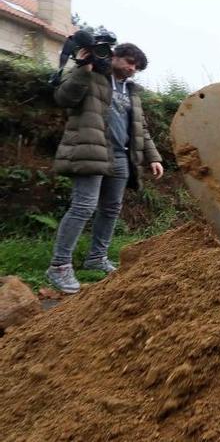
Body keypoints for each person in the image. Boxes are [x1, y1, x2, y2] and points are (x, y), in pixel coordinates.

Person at [45, 42, 164, 294]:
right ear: (114, 57)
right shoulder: (92, 76)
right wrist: (83, 69)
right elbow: (64, 98)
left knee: (111, 209)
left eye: (137, 67)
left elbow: (140, 128)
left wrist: (153, 157)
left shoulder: (131, 91)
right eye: (130, 62)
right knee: (83, 207)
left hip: (121, 156)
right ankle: (59, 265)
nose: (133, 69)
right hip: (91, 149)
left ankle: (96, 257)